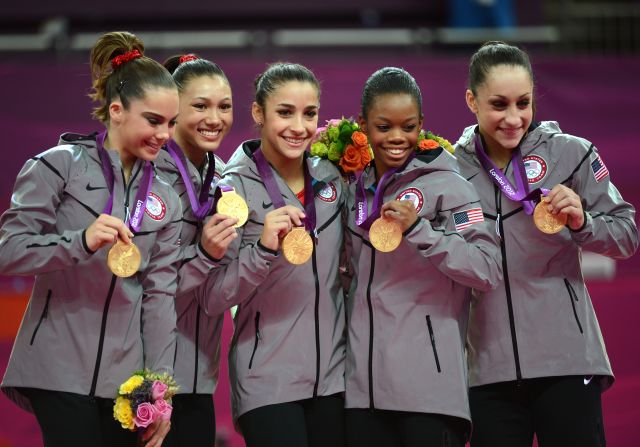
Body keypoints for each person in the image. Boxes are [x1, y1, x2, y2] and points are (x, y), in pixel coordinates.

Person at [0, 31, 182, 447]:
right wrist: (78, 241)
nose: (165, 134)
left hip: (127, 380)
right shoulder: (57, 166)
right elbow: (7, 252)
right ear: (116, 110)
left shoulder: (165, 198)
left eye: (171, 123)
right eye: (153, 120)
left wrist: (160, 391)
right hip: (57, 368)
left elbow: (159, 299)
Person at [455, 41, 638, 446]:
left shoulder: (571, 154)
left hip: (568, 363)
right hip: (488, 371)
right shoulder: (450, 171)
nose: (513, 118)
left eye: (524, 103)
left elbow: (626, 235)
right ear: (472, 100)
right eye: (499, 104)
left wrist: (583, 221)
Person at [343, 67, 502, 447]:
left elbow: (486, 268)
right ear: (363, 125)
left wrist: (421, 231)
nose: (397, 138)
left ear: (422, 125)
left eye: (408, 126)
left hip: (429, 393)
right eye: (383, 127)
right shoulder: (352, 189)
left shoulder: (451, 186)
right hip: (362, 394)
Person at [198, 62, 348, 447]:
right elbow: (213, 297)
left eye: (309, 113)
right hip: (266, 381)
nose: (298, 127)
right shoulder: (231, 191)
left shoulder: (333, 177)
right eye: (285, 112)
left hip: (334, 378)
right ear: (258, 113)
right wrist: (263, 249)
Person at [157, 53, 238, 447]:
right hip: (139, 369)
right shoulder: (145, 176)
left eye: (224, 106)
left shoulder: (224, 178)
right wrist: (204, 254)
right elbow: (139, 281)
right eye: (200, 106)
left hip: (196, 374)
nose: (215, 118)